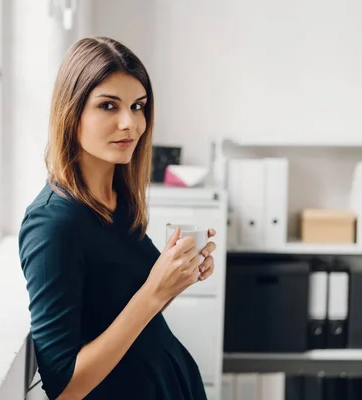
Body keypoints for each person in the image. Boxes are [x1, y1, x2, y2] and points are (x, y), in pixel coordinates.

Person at [18, 36, 218, 400]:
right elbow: (64, 387)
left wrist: (175, 278)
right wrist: (155, 291)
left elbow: (125, 307)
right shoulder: (53, 225)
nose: (131, 123)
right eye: (109, 105)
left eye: (138, 106)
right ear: (71, 111)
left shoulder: (118, 198)